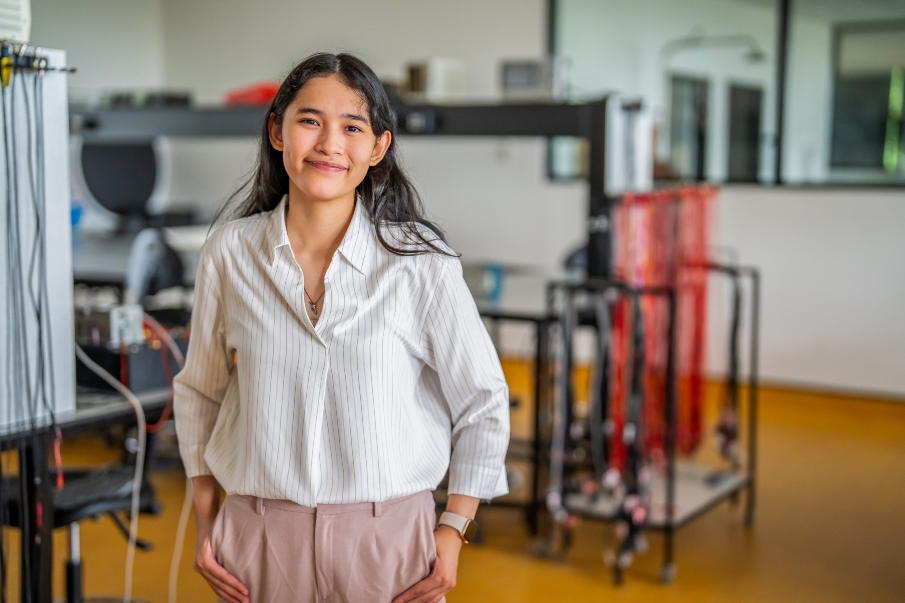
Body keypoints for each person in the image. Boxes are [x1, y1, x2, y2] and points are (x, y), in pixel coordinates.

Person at [173, 52, 510, 603]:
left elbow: (483, 402)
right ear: (277, 131)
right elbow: (199, 392)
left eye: (352, 127)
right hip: (259, 535)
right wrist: (208, 520)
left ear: (378, 147)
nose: (330, 144)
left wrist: (453, 529)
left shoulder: (420, 263)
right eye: (310, 121)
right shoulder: (230, 253)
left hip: (387, 540)